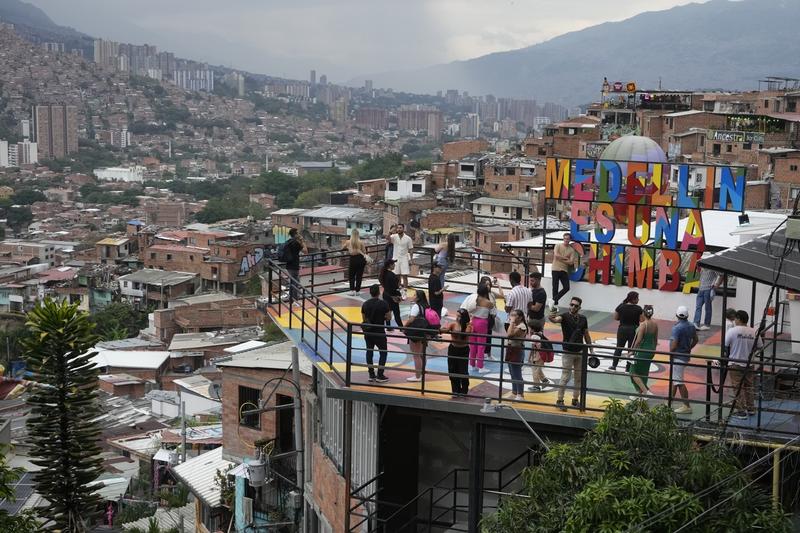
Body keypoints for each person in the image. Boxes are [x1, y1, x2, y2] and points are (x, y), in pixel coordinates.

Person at [549, 296, 595, 411]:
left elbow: (587, 335)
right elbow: (555, 320)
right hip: (568, 351)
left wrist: (591, 350)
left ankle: (575, 400)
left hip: (579, 352)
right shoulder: (564, 316)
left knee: (578, 378)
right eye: (571, 304)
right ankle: (559, 400)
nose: (573, 307)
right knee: (565, 377)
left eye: (575, 305)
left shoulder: (583, 319)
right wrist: (552, 315)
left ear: (579, 307)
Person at [724, 310, 762, 419]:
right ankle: (751, 408)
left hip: (735, 363)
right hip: (749, 364)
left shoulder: (732, 331)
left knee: (737, 387)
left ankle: (741, 411)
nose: (734, 320)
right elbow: (760, 346)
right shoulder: (754, 332)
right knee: (749, 386)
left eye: (735, 318)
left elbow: (726, 345)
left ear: (739, 319)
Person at [670, 305, 698, 414]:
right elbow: (696, 339)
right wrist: (688, 348)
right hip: (685, 356)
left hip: (677, 357)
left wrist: (671, 353)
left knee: (678, 381)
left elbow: (673, 345)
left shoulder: (676, 328)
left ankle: (687, 406)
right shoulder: (691, 326)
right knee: (675, 380)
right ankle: (669, 402)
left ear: (677, 315)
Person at [361, 284, 392, 383]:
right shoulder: (384, 304)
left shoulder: (365, 304)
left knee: (369, 352)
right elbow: (389, 317)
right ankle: (380, 374)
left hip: (368, 333)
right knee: (383, 352)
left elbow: (364, 319)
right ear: (379, 293)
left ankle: (371, 374)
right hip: (379, 332)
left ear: (370, 292)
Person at [609, 291, 643, 372]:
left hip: (622, 329)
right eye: (637, 298)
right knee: (631, 349)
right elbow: (642, 319)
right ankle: (628, 368)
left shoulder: (621, 306)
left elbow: (616, 317)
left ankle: (614, 365)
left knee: (619, 348)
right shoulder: (638, 308)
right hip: (633, 330)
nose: (638, 299)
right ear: (633, 299)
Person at [628, 305, 658, 397]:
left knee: (633, 372)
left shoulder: (643, 325)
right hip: (651, 350)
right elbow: (655, 339)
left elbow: (638, 340)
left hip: (642, 350)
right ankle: (640, 393)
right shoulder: (655, 324)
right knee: (644, 372)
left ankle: (645, 391)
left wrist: (632, 351)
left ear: (643, 313)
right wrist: (653, 350)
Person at [441, 308, 472, 395]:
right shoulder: (453, 324)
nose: (457, 318)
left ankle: (464, 390)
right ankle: (455, 390)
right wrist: (441, 328)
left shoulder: (468, 326)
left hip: (464, 350)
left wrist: (459, 327)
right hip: (453, 349)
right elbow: (445, 330)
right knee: (452, 370)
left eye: (459, 316)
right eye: (457, 316)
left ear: (464, 317)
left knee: (463, 371)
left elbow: (467, 332)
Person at [404, 290, 431, 382]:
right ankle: (422, 372)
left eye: (415, 295)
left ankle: (417, 376)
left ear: (418, 297)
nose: (413, 295)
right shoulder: (426, 306)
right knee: (422, 354)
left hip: (416, 332)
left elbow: (411, 319)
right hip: (424, 332)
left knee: (416, 355)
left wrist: (404, 326)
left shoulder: (416, 306)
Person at [468, 284, 494, 374]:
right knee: (481, 345)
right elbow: (493, 313)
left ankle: (472, 364)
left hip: (473, 321)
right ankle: (480, 366)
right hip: (482, 323)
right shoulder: (489, 303)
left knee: (472, 344)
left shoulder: (474, 299)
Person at [505, 309, 529, 401]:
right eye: (511, 315)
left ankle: (520, 394)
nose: (512, 317)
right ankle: (514, 392)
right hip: (511, 349)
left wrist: (511, 322)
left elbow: (509, 334)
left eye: (514, 315)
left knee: (517, 373)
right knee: (512, 372)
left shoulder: (522, 326)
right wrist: (512, 323)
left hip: (517, 350)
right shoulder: (515, 325)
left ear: (520, 317)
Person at [551, 233, 578, 308]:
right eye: (565, 238)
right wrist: (566, 258)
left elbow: (571, 262)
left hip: (564, 270)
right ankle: (555, 305)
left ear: (570, 240)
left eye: (568, 239)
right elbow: (556, 255)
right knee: (555, 287)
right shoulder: (558, 245)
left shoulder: (571, 250)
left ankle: (553, 300)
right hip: (555, 268)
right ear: (563, 239)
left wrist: (560, 258)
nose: (566, 240)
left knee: (566, 287)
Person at [693, 263, 722, 331]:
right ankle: (696, 323)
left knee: (707, 307)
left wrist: (716, 285)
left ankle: (707, 324)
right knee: (698, 307)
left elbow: (721, 274)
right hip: (701, 289)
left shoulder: (712, 267)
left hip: (708, 289)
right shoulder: (703, 267)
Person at [283, 228, 307, 305]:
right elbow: (305, 251)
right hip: (294, 265)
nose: (299, 234)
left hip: (289, 265)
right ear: (295, 234)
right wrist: (302, 241)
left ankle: (291, 300)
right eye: (298, 233)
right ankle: (295, 301)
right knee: (295, 283)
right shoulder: (296, 243)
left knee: (292, 283)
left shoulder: (289, 242)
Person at [343, 228, 368, 296]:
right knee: (359, 276)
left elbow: (342, 247)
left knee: (351, 275)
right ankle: (357, 291)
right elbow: (364, 251)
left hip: (353, 259)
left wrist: (348, 248)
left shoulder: (348, 242)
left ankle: (352, 290)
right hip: (360, 259)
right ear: (358, 235)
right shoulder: (361, 242)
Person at [389, 223, 414, 291]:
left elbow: (411, 249)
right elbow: (388, 239)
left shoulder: (408, 238)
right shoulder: (394, 236)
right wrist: (390, 232)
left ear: (403, 229)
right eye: (398, 228)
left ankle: (405, 289)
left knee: (404, 275)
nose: (399, 229)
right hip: (395, 258)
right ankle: (399, 288)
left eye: (400, 228)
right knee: (397, 275)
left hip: (404, 258)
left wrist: (411, 259)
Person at [379, 259, 402, 329]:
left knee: (387, 311)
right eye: (393, 264)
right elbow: (395, 288)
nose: (394, 265)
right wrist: (399, 295)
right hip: (393, 296)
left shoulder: (383, 274)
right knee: (396, 313)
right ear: (390, 265)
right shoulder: (392, 275)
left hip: (386, 294)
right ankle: (402, 328)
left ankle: (388, 327)